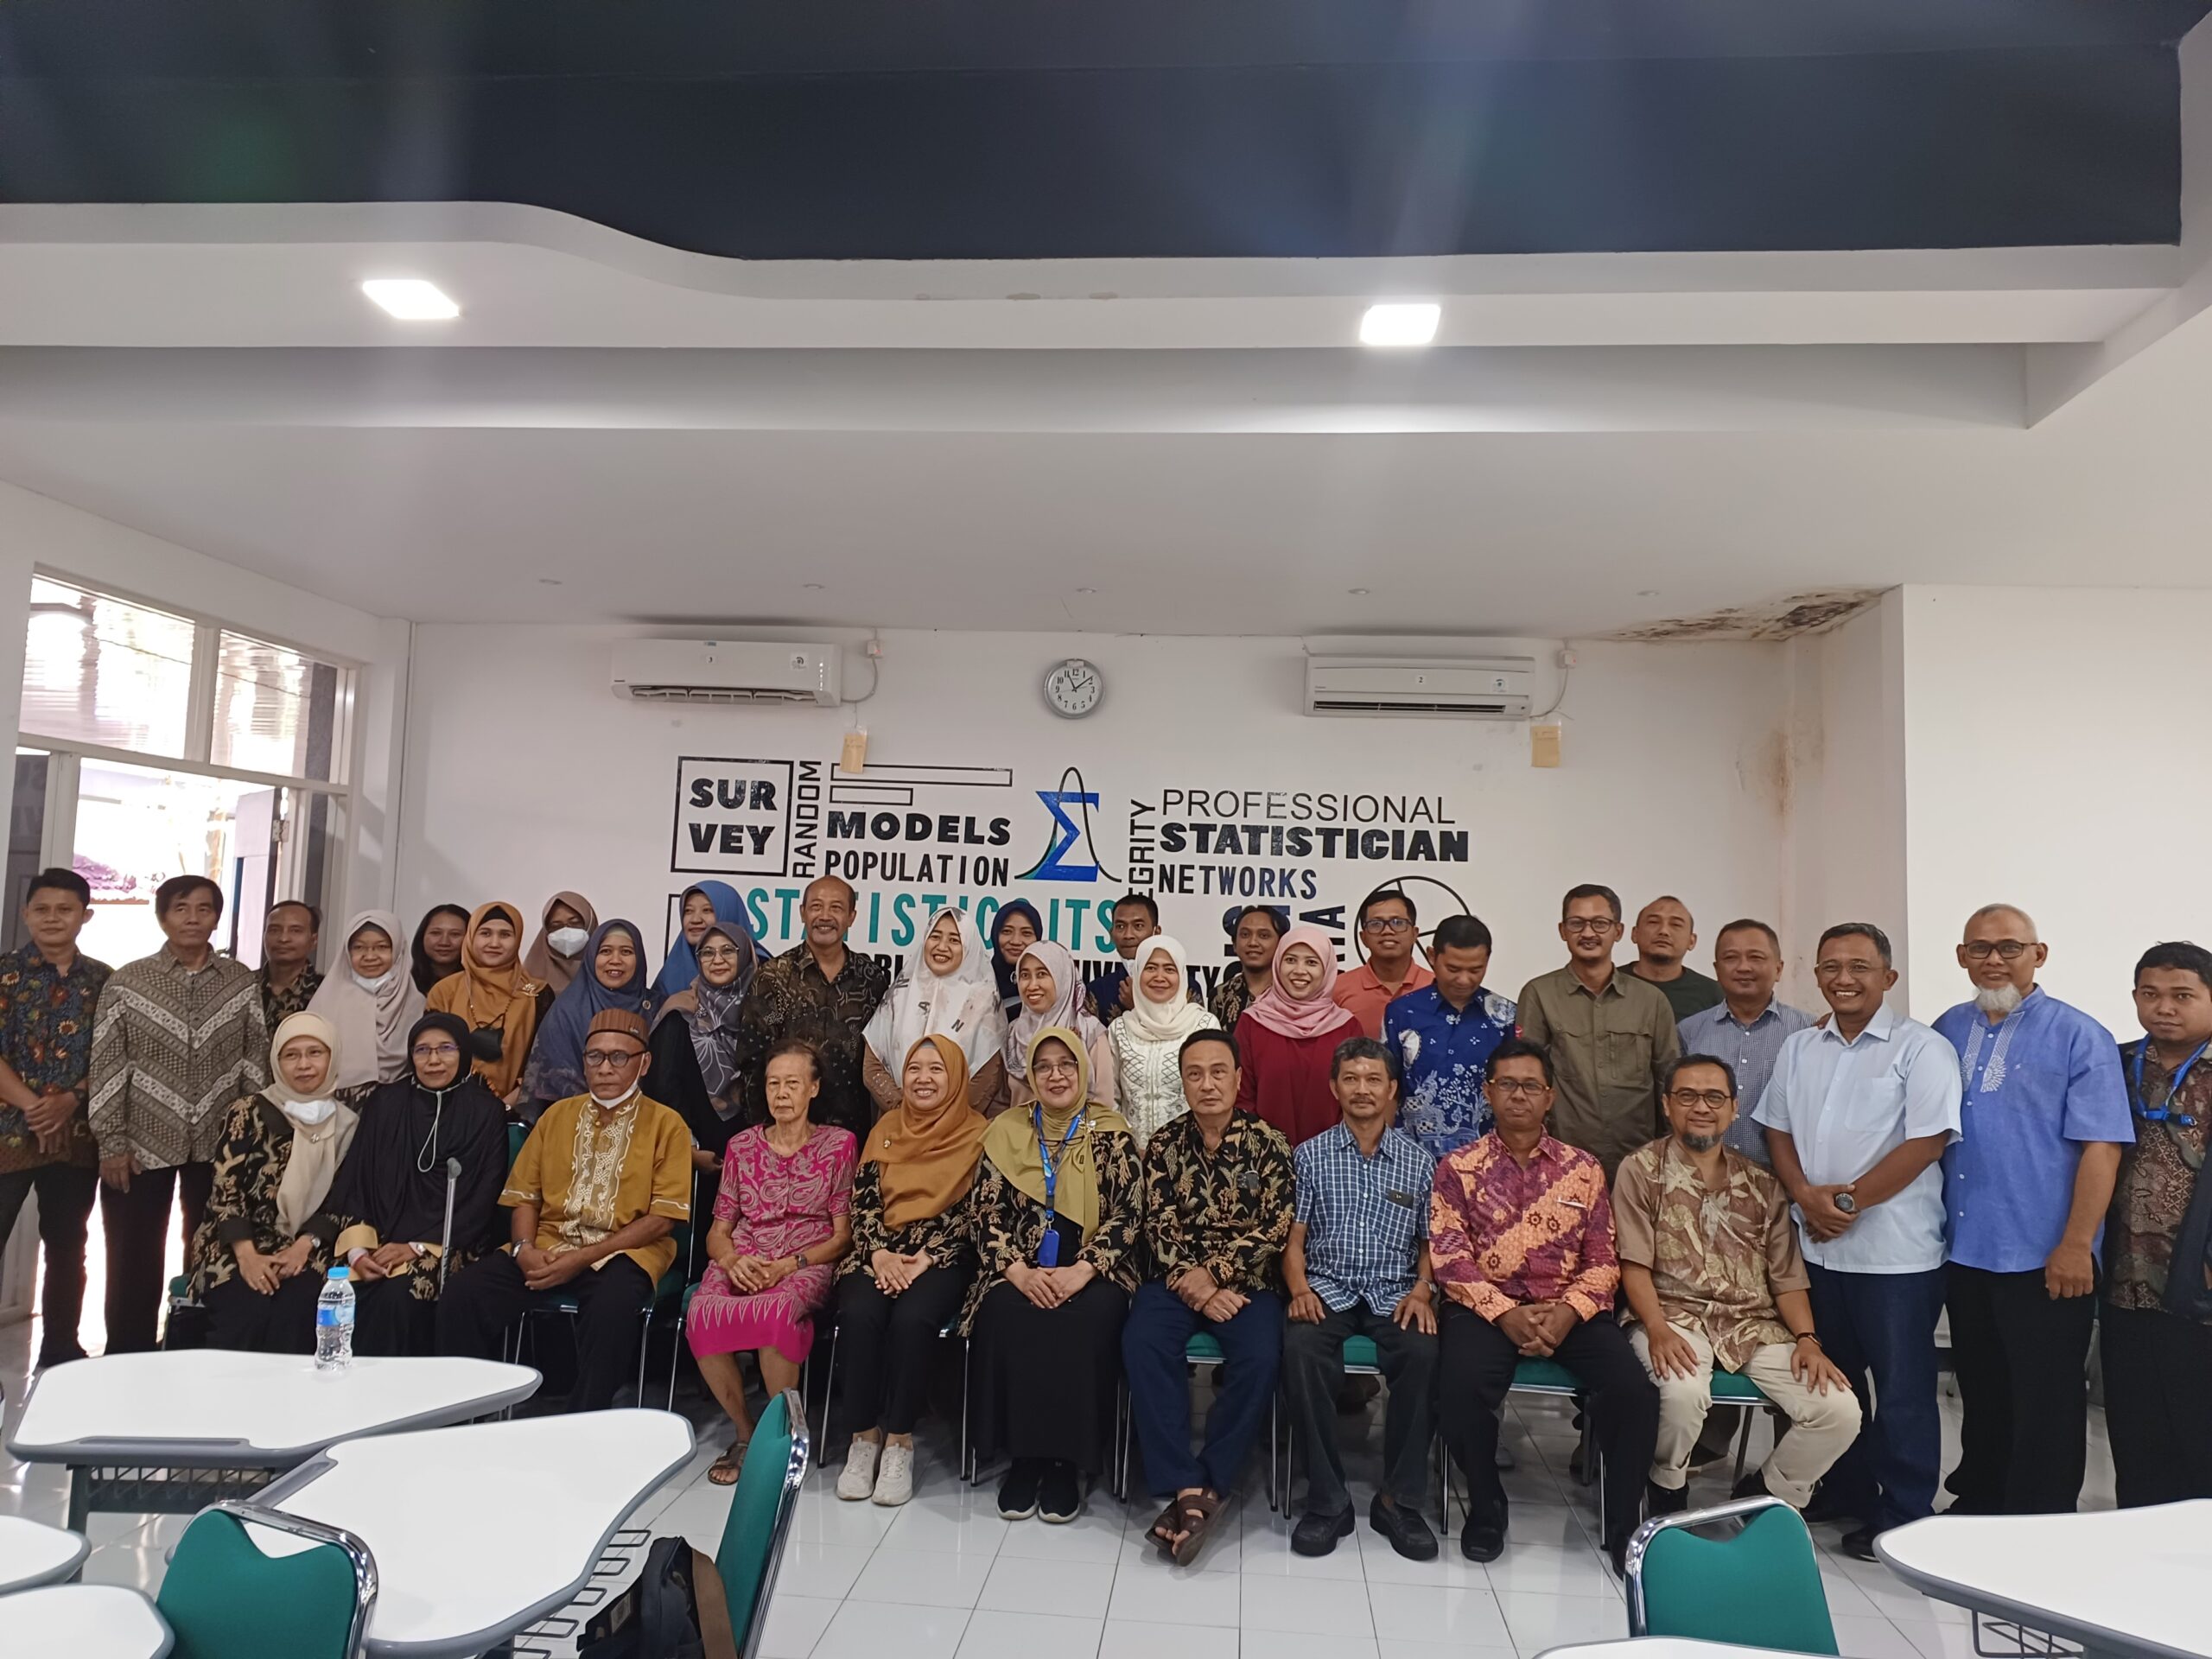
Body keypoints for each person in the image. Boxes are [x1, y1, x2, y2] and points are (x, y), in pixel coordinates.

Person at [1753, 923, 1958, 1560]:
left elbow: (1928, 1142)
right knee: (1831, 1383)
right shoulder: (1800, 1047)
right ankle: (1844, 1491)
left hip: (1895, 1256)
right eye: (1831, 967)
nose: (1844, 979)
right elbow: (1776, 1128)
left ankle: (1904, 1514)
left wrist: (1846, 1204)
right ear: (1816, 975)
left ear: (1888, 977)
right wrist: (1804, 1196)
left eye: (1859, 967)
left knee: (1901, 1391)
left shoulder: (1922, 1049)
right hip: (1816, 1250)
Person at [1932, 905, 2130, 1517]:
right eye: (1980, 948)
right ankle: (1980, 1501)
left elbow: (2102, 1147)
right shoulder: (1947, 1029)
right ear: (1962, 956)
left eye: (2009, 947)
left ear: (2038, 955)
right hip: (1964, 1248)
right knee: (1982, 1386)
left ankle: (2040, 1520)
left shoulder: (2079, 1035)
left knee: (2046, 1397)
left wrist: (2076, 1244)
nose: (1994, 959)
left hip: (2045, 1253)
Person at [1431, 1039, 1655, 1571]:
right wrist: (1503, 1313)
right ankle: (1487, 1506)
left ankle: (1625, 1525)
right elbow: (1450, 1258)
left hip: (1569, 1308)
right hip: (1486, 1307)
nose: (1519, 1095)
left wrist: (1568, 1312)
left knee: (1635, 1392)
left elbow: (1604, 1260)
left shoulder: (1584, 1169)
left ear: (1549, 1096)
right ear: (1488, 1092)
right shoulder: (1458, 1167)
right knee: (1457, 1389)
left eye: (1531, 1086)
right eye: (1507, 1084)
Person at [1615, 1055, 1860, 1516]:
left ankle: (1763, 1494)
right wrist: (1657, 1328)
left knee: (1839, 1410)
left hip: (1751, 1324)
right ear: (1667, 1105)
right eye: (1687, 1096)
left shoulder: (1763, 1184)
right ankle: (1666, 1486)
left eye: (1714, 1097)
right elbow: (1633, 1263)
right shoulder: (1641, 1170)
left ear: (1733, 1108)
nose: (1701, 1107)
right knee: (1681, 1394)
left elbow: (1787, 1278)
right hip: (1671, 1315)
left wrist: (1807, 1340)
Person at [436, 1007, 691, 1410]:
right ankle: (466, 1410)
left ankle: (583, 1418)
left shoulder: (667, 1124)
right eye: (595, 1056)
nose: (604, 1068)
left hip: (624, 1252)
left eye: (618, 1057)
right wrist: (523, 1250)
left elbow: (662, 1219)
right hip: (548, 1246)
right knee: (464, 1294)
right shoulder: (556, 1116)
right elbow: (524, 1197)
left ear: (644, 1064)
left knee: (612, 1306)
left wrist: (583, 1258)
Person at [1124, 1027, 1293, 1564]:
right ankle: (1184, 1483)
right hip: (1175, 1279)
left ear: (1239, 1078)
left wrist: (1215, 1276)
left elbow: (1275, 1227)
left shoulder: (1270, 1142)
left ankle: (1214, 1478)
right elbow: (1156, 1224)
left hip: (1247, 1283)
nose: (1207, 1084)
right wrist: (1195, 1287)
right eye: (1194, 1074)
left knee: (1262, 1355)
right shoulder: (1164, 1145)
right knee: (1142, 1342)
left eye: (1219, 1072)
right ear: (1182, 1082)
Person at [963, 1028, 1141, 1524]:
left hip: (1095, 1269)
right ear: (1031, 1075)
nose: (1056, 1075)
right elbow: (984, 1213)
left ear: (1083, 1069)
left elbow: (1129, 1214)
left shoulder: (1111, 1131)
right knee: (1006, 1311)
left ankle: (1067, 1462)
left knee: (1085, 1319)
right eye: (1043, 1066)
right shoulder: (1006, 1130)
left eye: (1067, 1064)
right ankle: (1025, 1457)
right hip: (1019, 1266)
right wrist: (1019, 1272)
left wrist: (1082, 1271)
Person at [89, 874, 269, 1353]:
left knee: (211, 1251)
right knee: (132, 1254)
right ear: (163, 917)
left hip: (219, 1144)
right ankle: (127, 1353)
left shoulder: (240, 981)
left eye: (204, 908)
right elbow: (108, 1064)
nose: (193, 918)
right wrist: (111, 1142)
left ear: (216, 918)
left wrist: (249, 1139)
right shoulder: (127, 982)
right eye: (181, 908)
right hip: (140, 1144)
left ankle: (196, 1349)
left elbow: (255, 1058)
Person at [1281, 1035, 1440, 1561]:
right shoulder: (1310, 1155)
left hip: (1395, 1291)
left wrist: (1423, 1290)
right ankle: (1327, 1501)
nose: (1362, 1089)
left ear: (1393, 1089)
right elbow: (1294, 1240)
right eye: (1351, 1079)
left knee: (1423, 1353)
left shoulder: (1419, 1162)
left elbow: (1430, 1244)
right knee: (1301, 1349)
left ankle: (1399, 1500)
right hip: (1326, 1286)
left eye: (1374, 1079)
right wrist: (1299, 1289)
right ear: (1335, 1088)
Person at [688, 1039, 856, 1484]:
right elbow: (717, 1231)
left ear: (813, 1089)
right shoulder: (741, 1147)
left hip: (806, 1259)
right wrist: (731, 1260)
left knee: (775, 1310)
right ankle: (746, 1433)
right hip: (745, 1255)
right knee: (702, 1312)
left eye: (792, 1084)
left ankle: (780, 1437)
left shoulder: (839, 1145)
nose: (781, 1094)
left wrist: (789, 1265)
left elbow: (842, 1237)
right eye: (773, 1084)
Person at [835, 1033, 988, 1508]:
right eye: (915, 1069)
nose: (923, 1079)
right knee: (859, 1314)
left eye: (936, 1069)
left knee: (913, 1318)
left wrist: (928, 1255)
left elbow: (979, 1209)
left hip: (942, 1255)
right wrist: (878, 1253)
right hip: (878, 1252)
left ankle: (900, 1441)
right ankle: (864, 1437)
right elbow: (862, 1201)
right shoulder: (885, 1127)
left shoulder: (979, 1133)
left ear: (956, 1077)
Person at [325, 1009, 512, 1356]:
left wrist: (416, 1247)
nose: (433, 1060)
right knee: (332, 1292)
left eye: (446, 1049)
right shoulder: (385, 1103)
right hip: (376, 1240)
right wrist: (358, 1251)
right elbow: (357, 1182)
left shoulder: (486, 1112)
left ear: (464, 1053)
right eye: (422, 1050)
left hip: (449, 1243)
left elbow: (482, 1198)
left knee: (398, 1297)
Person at [2103, 941, 2212, 1507]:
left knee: (2199, 1432)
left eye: (2182, 996)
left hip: (2198, 1287)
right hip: (2122, 1282)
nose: (2164, 1007)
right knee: (2135, 1431)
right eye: (2150, 994)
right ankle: (2138, 1536)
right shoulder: (2113, 1065)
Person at [188, 1012, 359, 1353]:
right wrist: (248, 1256)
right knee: (247, 1308)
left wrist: (303, 1246)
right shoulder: (247, 1112)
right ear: (277, 1062)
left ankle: (292, 1389)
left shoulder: (348, 1123)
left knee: (298, 1310)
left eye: (315, 1053)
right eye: (291, 1055)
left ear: (333, 1057)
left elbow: (343, 1196)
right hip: (235, 1241)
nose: (304, 1065)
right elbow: (226, 1190)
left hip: (309, 1245)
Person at [0, 868, 112, 1368]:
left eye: (64, 909)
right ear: (26, 913)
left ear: (85, 916)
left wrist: (71, 1099)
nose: (52, 918)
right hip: (7, 1131)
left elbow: (114, 1056)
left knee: (68, 1246)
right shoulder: (4, 973)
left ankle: (61, 1349)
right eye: (42, 909)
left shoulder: (105, 981)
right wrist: (34, 1107)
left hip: (77, 1135)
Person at [1515, 883, 1681, 1177]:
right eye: (1577, 923)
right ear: (1562, 930)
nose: (1588, 933)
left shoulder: (1651, 1001)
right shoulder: (1539, 994)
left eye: (1600, 924)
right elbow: (1527, 1081)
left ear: (1618, 931)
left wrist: (1671, 1155)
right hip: (1561, 1162)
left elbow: (1668, 1081)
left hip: (1639, 1162)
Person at [733, 876, 889, 1141]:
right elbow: (754, 1061)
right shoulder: (774, 977)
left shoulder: (871, 979)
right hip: (785, 1132)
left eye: (836, 908)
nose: (825, 916)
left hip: (853, 1134)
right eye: (816, 906)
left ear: (851, 917)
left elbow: (880, 1058)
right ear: (802, 912)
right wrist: (764, 1135)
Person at [1676, 919, 1812, 1167]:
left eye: (1756, 957)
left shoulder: (1808, 1031)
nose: (1743, 967)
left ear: (1779, 969)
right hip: (1703, 1177)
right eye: (1731, 958)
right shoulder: (1690, 1031)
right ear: (1717, 969)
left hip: (1782, 1179)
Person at [650, 922, 756, 1236]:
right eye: (707, 953)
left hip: (755, 1155)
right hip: (698, 1156)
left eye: (727, 951)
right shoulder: (679, 1012)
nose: (717, 960)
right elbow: (662, 1090)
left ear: (745, 956)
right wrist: (690, 1150)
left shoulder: (762, 1011)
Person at [1386, 912, 1516, 1160]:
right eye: (1453, 969)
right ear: (1432, 956)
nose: (1464, 980)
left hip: (1487, 1161)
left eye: (1476, 970)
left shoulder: (1505, 1015)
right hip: (1413, 1158)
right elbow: (1388, 1089)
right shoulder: (1402, 1013)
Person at [861, 906, 1007, 1121]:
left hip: (955, 1129)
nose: (942, 946)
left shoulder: (984, 1002)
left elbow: (988, 1077)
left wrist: (943, 1120)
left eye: (954, 940)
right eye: (935, 936)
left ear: (969, 946)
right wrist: (902, 1109)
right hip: (898, 1124)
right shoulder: (900, 993)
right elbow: (873, 1064)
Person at [1236, 925, 1365, 1147]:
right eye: (1290, 960)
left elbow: (1356, 1098)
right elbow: (1241, 1096)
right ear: (1277, 964)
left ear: (1327, 969)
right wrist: (1262, 1150)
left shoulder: (1347, 1027)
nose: (1299, 970)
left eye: (1312, 962)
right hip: (1263, 1155)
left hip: (1332, 1156)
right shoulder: (1252, 1023)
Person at [424, 900, 547, 1110]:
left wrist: (503, 1107)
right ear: (471, 936)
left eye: (505, 935)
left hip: (511, 1109)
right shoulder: (445, 990)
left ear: (518, 939)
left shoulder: (537, 993)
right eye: (485, 933)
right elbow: (430, 1050)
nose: (494, 943)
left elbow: (541, 1060)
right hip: (446, 1105)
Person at [523, 918, 652, 1108]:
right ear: (591, 957)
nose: (615, 960)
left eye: (626, 952)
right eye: (605, 951)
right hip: (574, 1115)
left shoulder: (656, 1007)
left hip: (646, 1117)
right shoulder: (567, 1011)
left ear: (639, 958)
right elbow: (556, 1079)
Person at [1107, 934, 1219, 1149]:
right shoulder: (1120, 1029)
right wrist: (1125, 1149)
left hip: (1191, 1153)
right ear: (1138, 973)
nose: (1159, 977)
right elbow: (1110, 1099)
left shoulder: (1203, 1025)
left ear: (1182, 976)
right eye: (1150, 968)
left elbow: (1215, 1093)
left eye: (1169, 969)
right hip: (1132, 1156)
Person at [306, 910, 425, 1093]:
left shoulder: (417, 1005)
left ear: (398, 950)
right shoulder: (325, 1001)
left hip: (402, 1101)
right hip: (334, 1100)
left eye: (382, 947)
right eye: (359, 947)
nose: (370, 956)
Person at [1004, 939, 1116, 1114]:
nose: (1032, 985)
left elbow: (1104, 1105)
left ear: (1063, 977)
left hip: (1080, 1130)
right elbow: (1002, 1102)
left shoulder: (1089, 1032)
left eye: (1042, 974)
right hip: (1018, 1130)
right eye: (1025, 975)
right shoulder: (1013, 1033)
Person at [1334, 887, 1433, 1040]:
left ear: (1414, 934)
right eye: (1376, 924)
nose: (1387, 931)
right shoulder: (1337, 988)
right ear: (1363, 937)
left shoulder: (1435, 986)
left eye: (1398, 922)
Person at [1624, 896, 1722, 1020]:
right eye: (1653, 922)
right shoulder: (1609, 984)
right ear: (1635, 934)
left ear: (1692, 941)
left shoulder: (1713, 994)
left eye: (1676, 924)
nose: (1663, 931)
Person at [651, 881, 753, 1001]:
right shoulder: (670, 976)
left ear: (730, 913)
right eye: (688, 911)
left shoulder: (762, 977)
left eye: (707, 910)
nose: (695, 919)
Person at [1085, 892, 1163, 1026]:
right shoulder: (1097, 990)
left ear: (1156, 932)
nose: (1128, 935)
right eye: (1120, 927)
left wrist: (1138, 1006)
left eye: (1138, 926)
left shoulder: (1183, 988)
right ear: (1111, 934)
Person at [1210, 904, 1286, 1029]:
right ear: (1234, 944)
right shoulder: (1220, 996)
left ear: (1281, 943)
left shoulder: (1291, 993)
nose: (1253, 942)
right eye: (1245, 935)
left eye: (1264, 936)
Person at [257, 900, 325, 1030]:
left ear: (314, 940)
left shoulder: (327, 990)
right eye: (274, 930)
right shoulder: (243, 986)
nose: (283, 938)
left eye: (295, 931)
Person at [522, 891, 599, 999]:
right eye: (556, 926)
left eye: (575, 923)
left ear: (590, 924)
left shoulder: (609, 968)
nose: (566, 932)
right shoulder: (529, 977)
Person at [987, 899, 1043, 1023]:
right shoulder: (979, 982)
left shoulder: (1047, 988)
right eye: (1007, 931)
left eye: (1026, 933)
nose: (1016, 941)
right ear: (995, 935)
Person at [410, 903, 471, 996]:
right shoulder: (404, 985)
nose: (444, 942)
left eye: (455, 934)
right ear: (422, 936)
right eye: (436, 933)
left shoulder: (480, 987)